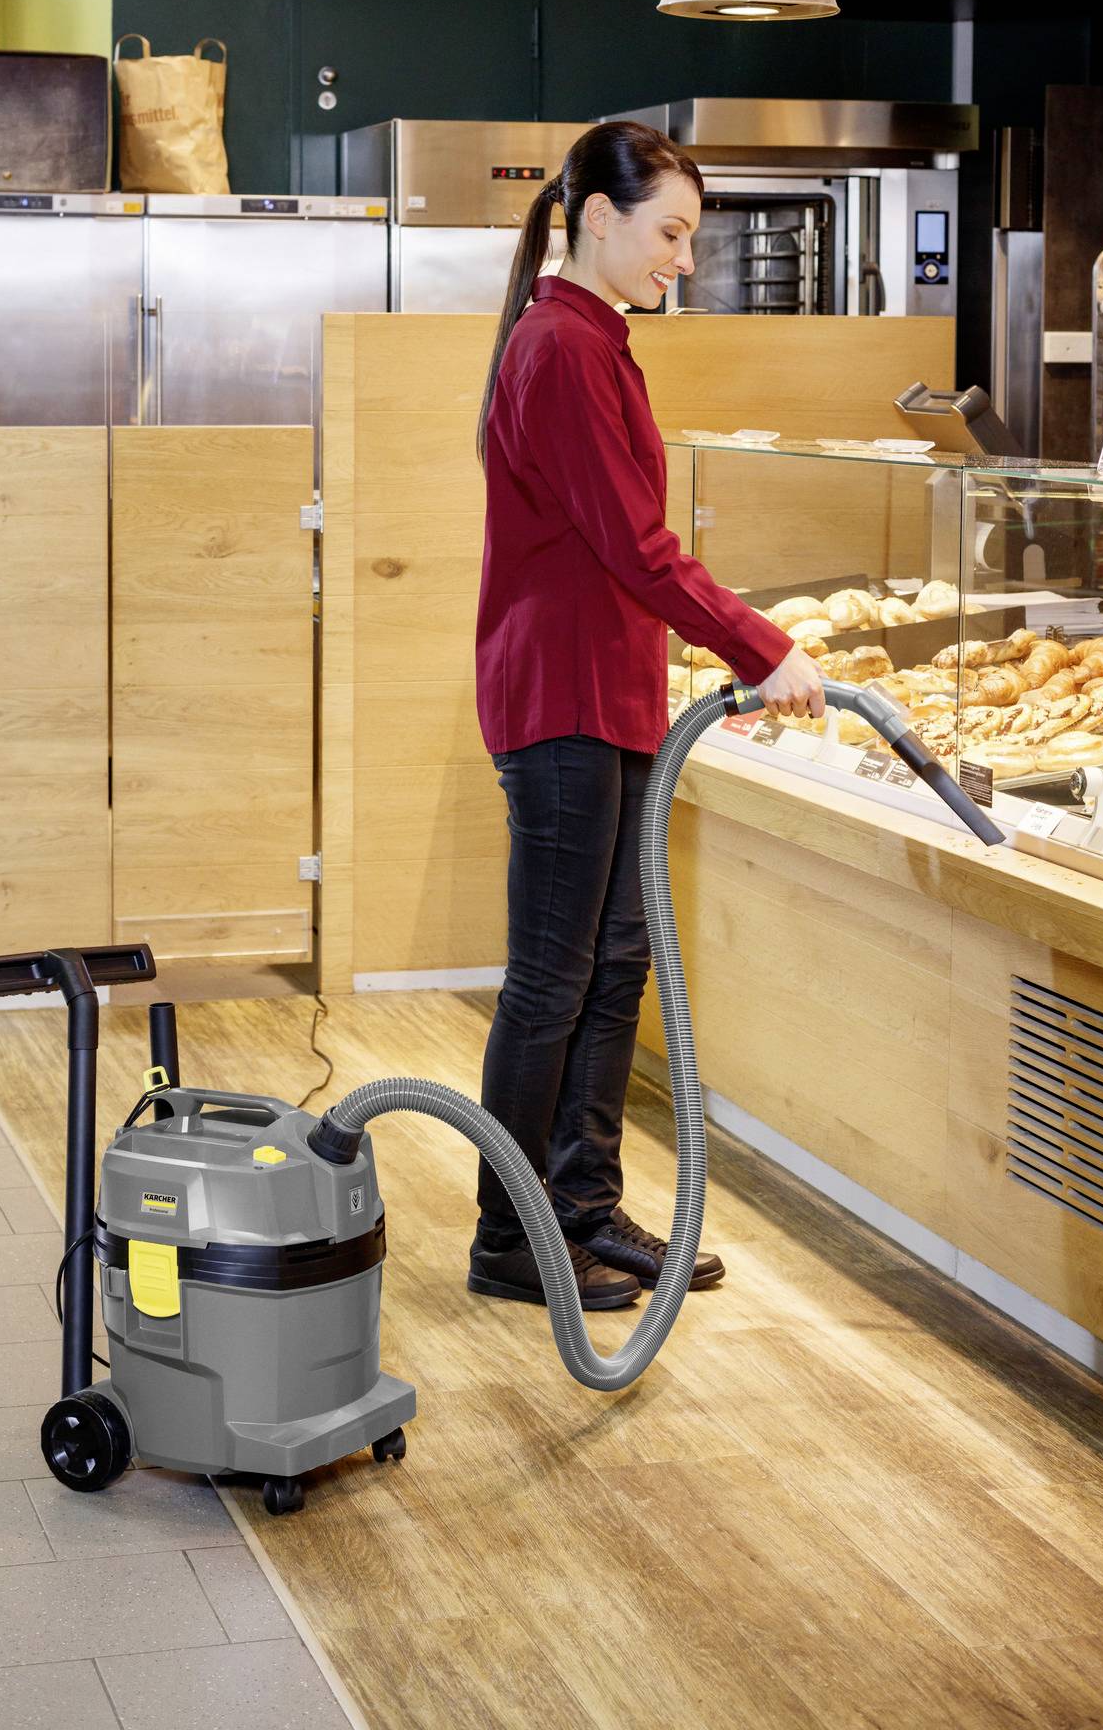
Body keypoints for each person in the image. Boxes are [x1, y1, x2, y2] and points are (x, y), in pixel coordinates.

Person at [469, 119, 825, 1311]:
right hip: (558, 696)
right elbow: (635, 544)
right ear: (597, 216)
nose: (684, 257)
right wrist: (760, 644)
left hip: (606, 693)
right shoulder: (561, 346)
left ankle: (577, 1200)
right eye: (670, 232)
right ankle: (510, 1237)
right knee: (551, 978)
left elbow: (621, 548)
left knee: (615, 963)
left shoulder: (597, 340)